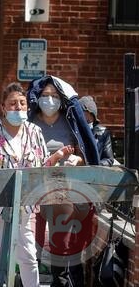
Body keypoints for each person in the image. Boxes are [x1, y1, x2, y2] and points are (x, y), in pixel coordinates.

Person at [0, 83, 75, 287]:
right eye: (13, 104)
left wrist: (56, 157)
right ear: (3, 107)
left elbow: (41, 167)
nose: (18, 107)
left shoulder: (35, 132)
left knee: (28, 255)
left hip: (25, 205)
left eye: (22, 103)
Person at [27, 76, 99, 287]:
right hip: (34, 187)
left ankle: (60, 281)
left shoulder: (70, 122)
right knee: (33, 239)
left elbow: (85, 150)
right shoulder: (30, 121)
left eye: (54, 96)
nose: (49, 100)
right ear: (37, 98)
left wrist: (78, 158)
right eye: (45, 95)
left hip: (63, 188)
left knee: (61, 240)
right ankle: (28, 280)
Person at [79, 95, 116, 166]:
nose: (77, 114)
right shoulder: (75, 130)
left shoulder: (103, 132)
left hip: (95, 174)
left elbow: (109, 159)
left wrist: (96, 166)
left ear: (90, 113)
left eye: (81, 111)